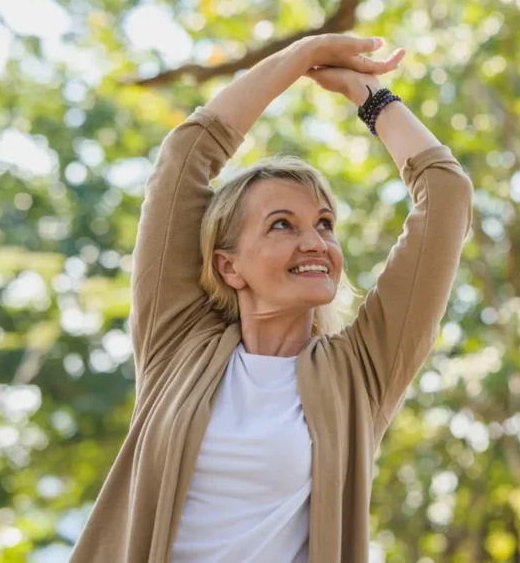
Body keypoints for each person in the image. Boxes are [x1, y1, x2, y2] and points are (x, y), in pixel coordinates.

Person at [69, 34, 474, 563]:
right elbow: (184, 156)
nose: (315, 242)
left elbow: (446, 196)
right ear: (228, 266)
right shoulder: (176, 342)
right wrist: (301, 57)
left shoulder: (361, 371)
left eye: (325, 224)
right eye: (282, 225)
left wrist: (370, 97)